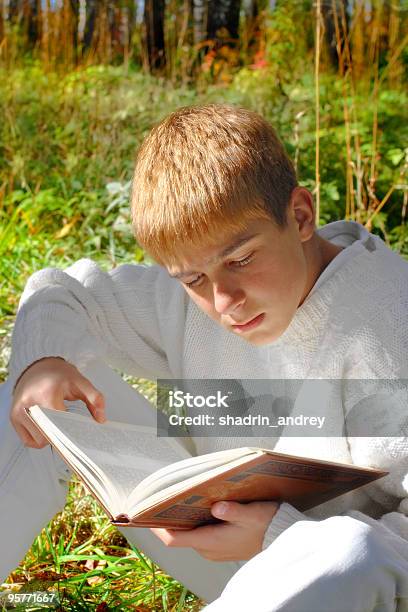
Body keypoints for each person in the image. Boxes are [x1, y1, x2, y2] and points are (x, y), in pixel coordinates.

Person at [1, 104, 408, 611]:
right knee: (40, 398)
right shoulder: (191, 295)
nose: (223, 302)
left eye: (241, 260)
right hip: (211, 545)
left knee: (353, 550)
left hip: (328, 587)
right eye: (193, 279)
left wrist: (279, 533)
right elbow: (63, 293)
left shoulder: (388, 324)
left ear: (300, 216)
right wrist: (43, 362)